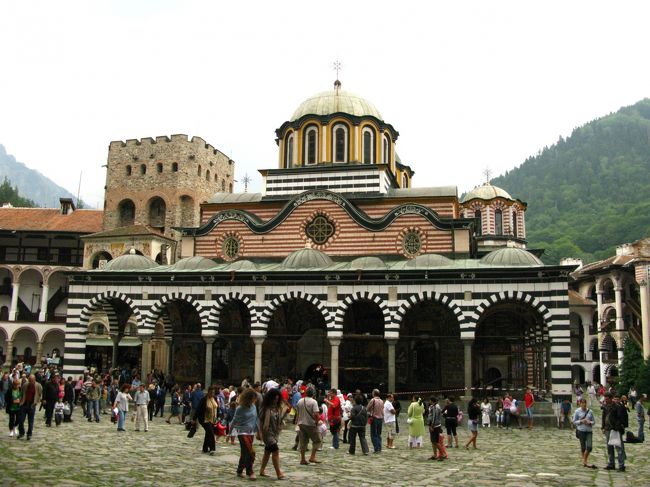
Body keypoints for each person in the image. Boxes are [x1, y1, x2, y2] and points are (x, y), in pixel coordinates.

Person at [230, 387, 259, 480]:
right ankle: (250, 472)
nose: (254, 400)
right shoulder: (240, 409)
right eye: (253, 398)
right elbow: (234, 421)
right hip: (242, 432)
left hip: (251, 433)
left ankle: (239, 470)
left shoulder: (253, 406)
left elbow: (255, 419)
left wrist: (258, 432)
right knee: (251, 452)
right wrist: (230, 433)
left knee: (244, 452)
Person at [258, 388, 286, 480]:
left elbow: (279, 419)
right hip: (267, 432)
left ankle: (262, 470)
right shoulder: (265, 408)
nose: (276, 400)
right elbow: (260, 421)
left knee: (267, 452)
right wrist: (259, 433)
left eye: (277, 399)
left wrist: (285, 413)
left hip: (275, 432)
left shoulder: (278, 408)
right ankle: (278, 472)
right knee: (275, 450)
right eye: (274, 399)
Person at [296, 387, 322, 464]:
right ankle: (312, 457)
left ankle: (303, 459)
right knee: (317, 440)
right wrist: (317, 422)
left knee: (303, 442)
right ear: (313, 394)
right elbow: (316, 414)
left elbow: (298, 412)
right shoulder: (314, 402)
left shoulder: (300, 401)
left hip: (301, 423)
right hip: (311, 424)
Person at [602, 392, 626, 471]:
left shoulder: (616, 407)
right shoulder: (605, 406)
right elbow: (604, 416)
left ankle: (621, 465)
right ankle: (611, 463)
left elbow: (620, 418)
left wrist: (617, 427)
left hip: (615, 429)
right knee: (609, 447)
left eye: (607, 399)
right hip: (608, 429)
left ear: (610, 398)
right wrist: (603, 426)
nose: (606, 400)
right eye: (605, 399)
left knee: (618, 447)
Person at [194, 386, 218, 455]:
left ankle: (205, 448)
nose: (212, 394)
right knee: (210, 432)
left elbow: (216, 407)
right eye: (211, 392)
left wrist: (218, 417)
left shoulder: (215, 398)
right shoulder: (204, 399)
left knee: (208, 433)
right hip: (204, 419)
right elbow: (198, 410)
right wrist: (194, 419)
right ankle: (212, 449)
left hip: (213, 419)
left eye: (213, 392)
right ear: (208, 392)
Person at [17, 374, 42, 440]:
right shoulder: (25, 385)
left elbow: (40, 394)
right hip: (24, 405)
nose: (30, 382)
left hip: (32, 405)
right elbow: (22, 393)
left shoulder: (38, 386)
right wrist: (20, 401)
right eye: (29, 380)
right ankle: (21, 433)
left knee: (30, 421)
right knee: (21, 420)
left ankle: (29, 434)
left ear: (34, 380)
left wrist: (36, 401)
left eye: (32, 380)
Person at [573, 398, 596, 469]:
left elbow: (594, 421)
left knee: (589, 447)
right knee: (583, 447)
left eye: (584, 403)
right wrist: (581, 421)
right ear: (580, 404)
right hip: (581, 431)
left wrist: (590, 422)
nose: (584, 405)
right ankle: (585, 461)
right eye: (582, 403)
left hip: (589, 431)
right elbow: (574, 421)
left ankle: (584, 459)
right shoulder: (577, 411)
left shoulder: (590, 411)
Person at [427, 396, 446, 461]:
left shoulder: (435, 407)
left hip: (435, 426)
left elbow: (434, 417)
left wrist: (431, 426)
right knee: (433, 441)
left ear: (432, 401)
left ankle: (442, 454)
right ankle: (435, 455)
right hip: (437, 425)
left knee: (435, 441)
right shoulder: (437, 406)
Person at [366, 389, 384, 453]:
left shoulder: (373, 400)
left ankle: (376, 448)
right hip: (380, 418)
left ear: (374, 393)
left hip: (374, 418)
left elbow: (367, 408)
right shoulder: (382, 401)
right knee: (379, 434)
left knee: (373, 434)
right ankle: (379, 448)